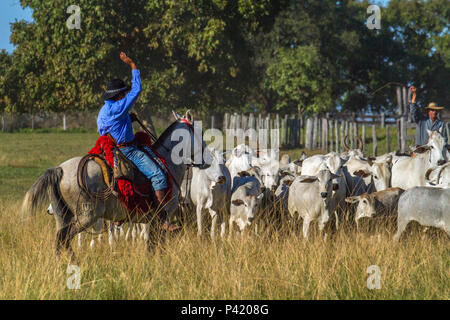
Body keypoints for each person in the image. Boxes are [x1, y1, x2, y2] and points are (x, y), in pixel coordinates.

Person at [97, 52, 177, 230]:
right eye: (123, 93)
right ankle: (163, 219)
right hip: (128, 150)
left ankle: (130, 210)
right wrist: (132, 64)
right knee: (158, 175)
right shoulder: (119, 106)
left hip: (111, 147)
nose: (125, 95)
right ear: (118, 95)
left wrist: (126, 119)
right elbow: (137, 90)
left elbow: (106, 129)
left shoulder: (105, 110)